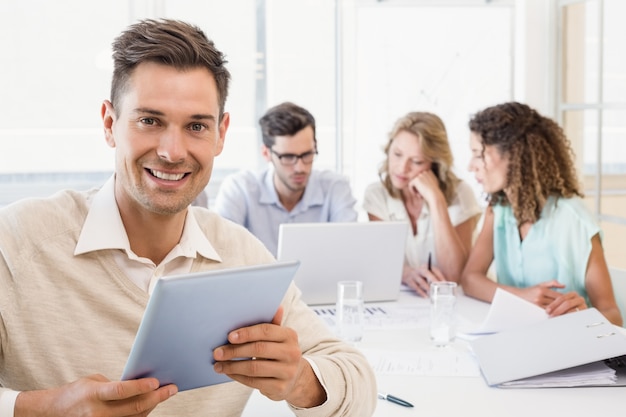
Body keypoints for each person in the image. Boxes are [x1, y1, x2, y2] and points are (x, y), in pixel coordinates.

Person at [0, 19, 377, 416]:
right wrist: (37, 408)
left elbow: (358, 382)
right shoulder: (18, 242)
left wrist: (299, 379)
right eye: (150, 121)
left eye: (196, 126)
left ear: (221, 134)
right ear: (110, 124)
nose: (173, 151)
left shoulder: (242, 256)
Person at [461, 101, 622, 326]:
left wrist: (581, 318)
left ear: (513, 155)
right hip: (518, 337)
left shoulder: (575, 222)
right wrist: (523, 297)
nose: (471, 166)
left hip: (569, 344)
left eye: (479, 154)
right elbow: (469, 279)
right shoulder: (498, 210)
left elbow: (613, 315)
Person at [213, 102, 358, 256]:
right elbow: (223, 254)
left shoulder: (335, 188)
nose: (300, 168)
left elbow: (349, 252)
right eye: (288, 157)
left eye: (307, 154)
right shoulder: (240, 189)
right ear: (266, 153)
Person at [363, 111, 482, 297]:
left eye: (417, 161)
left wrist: (436, 200)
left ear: (434, 164)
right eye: (397, 154)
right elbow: (383, 264)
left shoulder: (460, 194)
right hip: (405, 301)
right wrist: (405, 273)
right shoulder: (377, 195)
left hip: (454, 302)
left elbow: (454, 276)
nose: (402, 168)